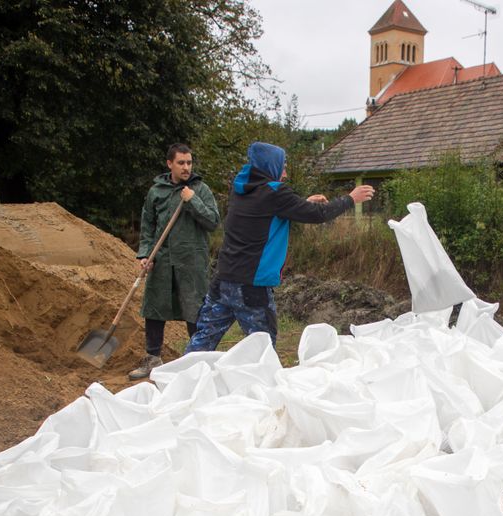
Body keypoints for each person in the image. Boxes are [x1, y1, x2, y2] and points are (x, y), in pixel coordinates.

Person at [185, 142, 374, 352]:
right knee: (264, 349)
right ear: (270, 166)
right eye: (282, 166)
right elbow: (318, 214)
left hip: (223, 280)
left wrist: (299, 203)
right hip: (252, 286)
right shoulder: (274, 193)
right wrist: (350, 198)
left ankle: (179, 379)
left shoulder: (241, 187)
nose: (284, 173)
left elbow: (265, 212)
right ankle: (262, 384)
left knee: (202, 339)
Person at [128, 143, 221, 380]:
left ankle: (199, 360)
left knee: (194, 309)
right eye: (181, 163)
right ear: (170, 164)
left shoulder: (200, 190)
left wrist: (192, 201)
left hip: (191, 262)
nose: (186, 167)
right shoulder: (156, 192)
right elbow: (148, 226)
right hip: (162, 260)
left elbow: (212, 221)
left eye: (189, 162)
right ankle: (153, 359)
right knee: (154, 308)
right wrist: (145, 254)